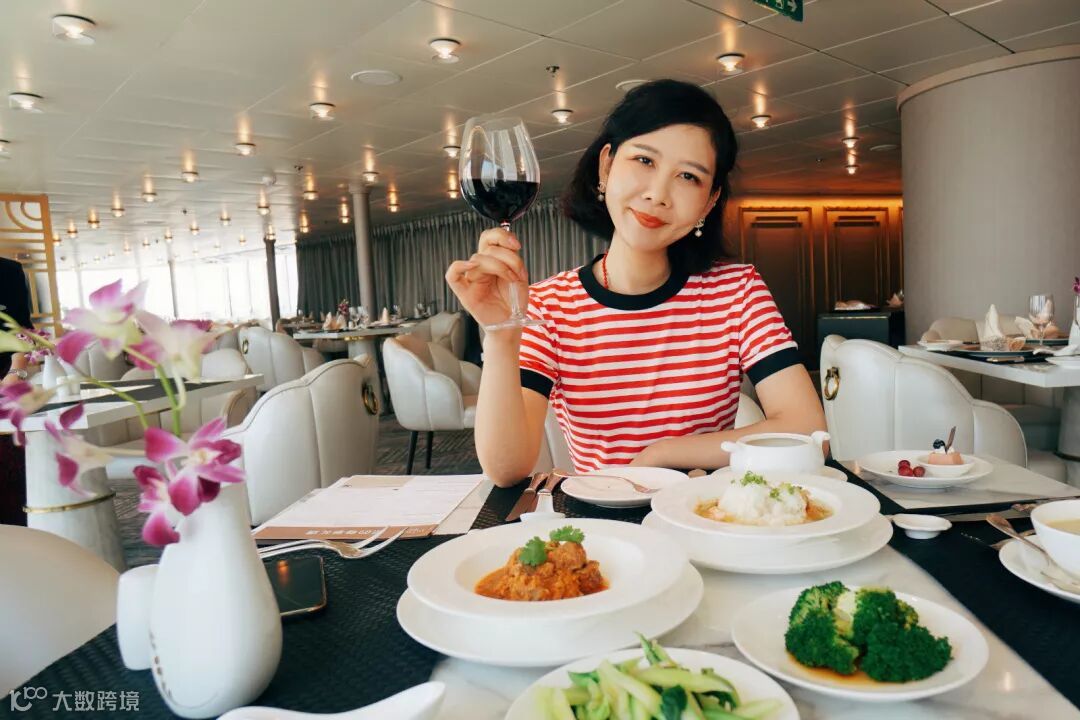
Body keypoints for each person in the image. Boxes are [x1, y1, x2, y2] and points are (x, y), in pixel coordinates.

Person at [446, 80, 826, 487]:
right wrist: (501, 334)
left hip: (708, 513)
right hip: (601, 522)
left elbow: (808, 431)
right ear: (606, 166)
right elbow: (507, 469)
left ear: (710, 200)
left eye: (688, 176)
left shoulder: (737, 291)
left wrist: (663, 454)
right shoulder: (549, 305)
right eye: (645, 160)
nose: (658, 194)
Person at [1, 256, 33, 524]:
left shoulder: (7, 271)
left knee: (11, 483)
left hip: (4, 386)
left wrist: (16, 373)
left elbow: (23, 330)